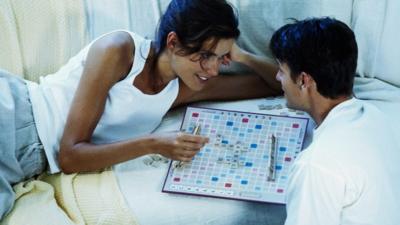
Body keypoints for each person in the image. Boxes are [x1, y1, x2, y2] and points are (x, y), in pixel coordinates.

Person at [0, 0, 281, 220]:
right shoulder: (120, 50)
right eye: (205, 56)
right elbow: (71, 155)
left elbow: (277, 85)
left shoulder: (189, 86)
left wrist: (242, 55)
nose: (212, 69)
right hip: (14, 113)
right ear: (173, 42)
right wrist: (153, 144)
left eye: (220, 59)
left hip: (24, 159)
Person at [269, 17, 400, 225]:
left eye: (281, 71)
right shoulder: (375, 117)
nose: (277, 78)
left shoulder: (314, 166)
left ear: (304, 80)